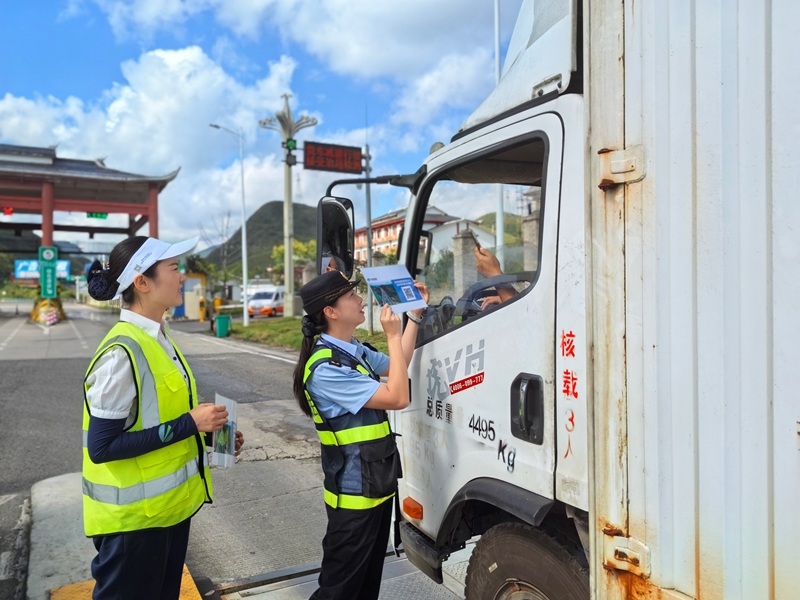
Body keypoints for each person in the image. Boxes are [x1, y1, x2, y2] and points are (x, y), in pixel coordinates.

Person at [82, 235, 244, 600]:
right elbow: (102, 446)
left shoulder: (159, 338)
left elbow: (159, 418)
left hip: (167, 516)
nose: (182, 276)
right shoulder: (121, 352)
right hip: (133, 528)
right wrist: (191, 423)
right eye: (173, 268)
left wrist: (209, 434)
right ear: (142, 282)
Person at [293, 270, 428, 600]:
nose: (360, 299)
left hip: (376, 487)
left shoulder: (351, 349)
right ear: (331, 311)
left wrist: (412, 316)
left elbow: (400, 363)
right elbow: (398, 396)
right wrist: (392, 335)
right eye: (351, 296)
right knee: (339, 592)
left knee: (365, 588)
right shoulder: (326, 368)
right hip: (353, 498)